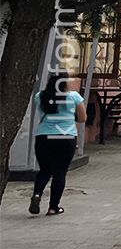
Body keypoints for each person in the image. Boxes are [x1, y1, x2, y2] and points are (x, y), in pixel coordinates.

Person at [28, 75, 85, 216]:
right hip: (66, 138)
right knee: (60, 173)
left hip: (44, 137)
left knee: (45, 170)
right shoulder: (74, 96)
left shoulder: (40, 96)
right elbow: (83, 118)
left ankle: (37, 194)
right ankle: (53, 208)